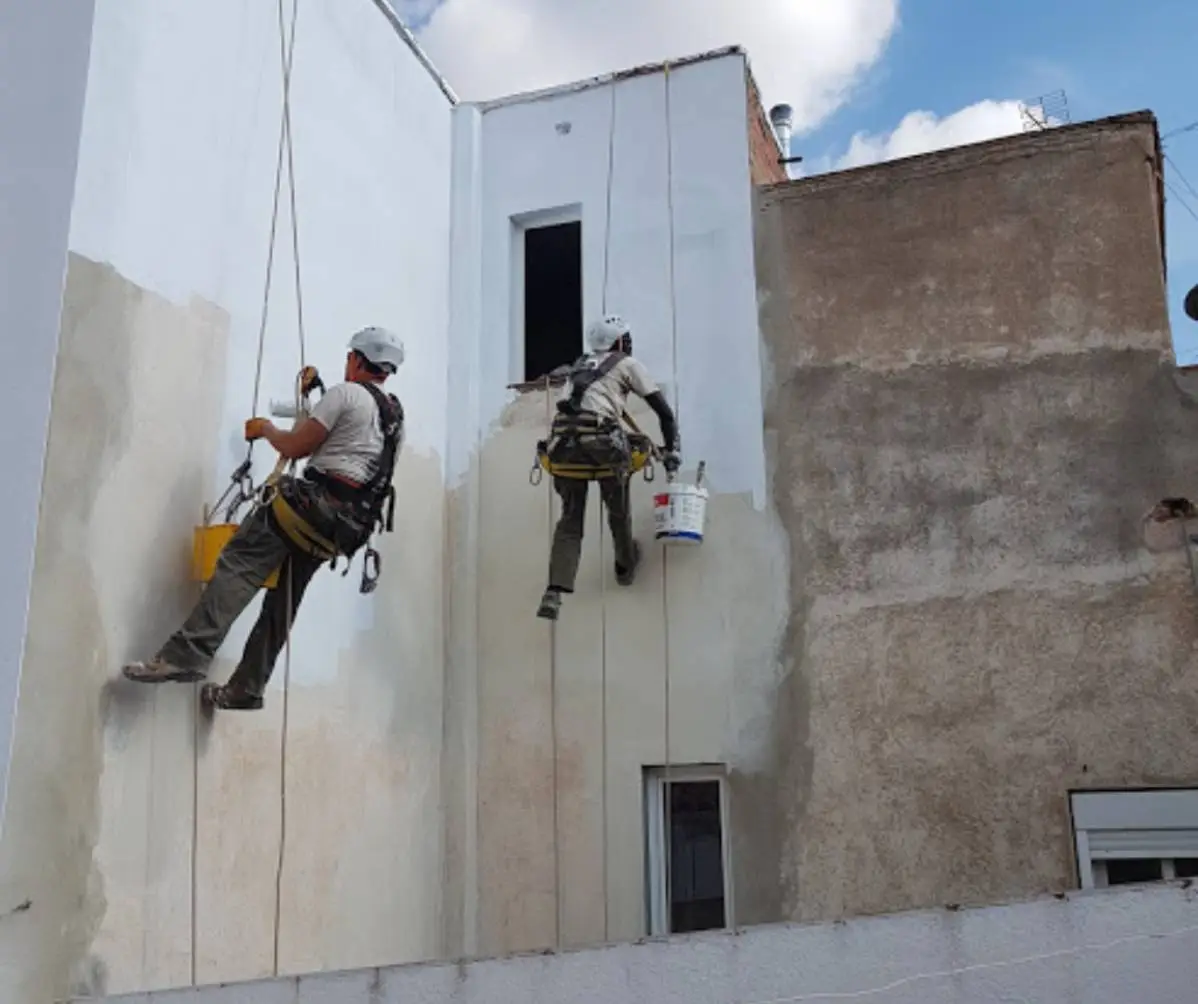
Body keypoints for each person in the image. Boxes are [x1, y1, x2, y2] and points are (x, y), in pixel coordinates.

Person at [122, 326, 406, 710]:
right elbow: (353, 455)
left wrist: (268, 430)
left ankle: (185, 656)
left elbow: (296, 447)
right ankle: (246, 688)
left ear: (356, 359)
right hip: (343, 528)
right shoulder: (394, 417)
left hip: (309, 509)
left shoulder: (346, 394)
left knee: (239, 566)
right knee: (283, 603)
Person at [536, 314, 680, 621]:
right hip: (603, 448)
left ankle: (554, 592)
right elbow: (664, 413)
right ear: (618, 341)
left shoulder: (579, 366)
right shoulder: (627, 365)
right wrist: (672, 451)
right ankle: (624, 565)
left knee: (570, 522)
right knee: (617, 511)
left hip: (564, 449)